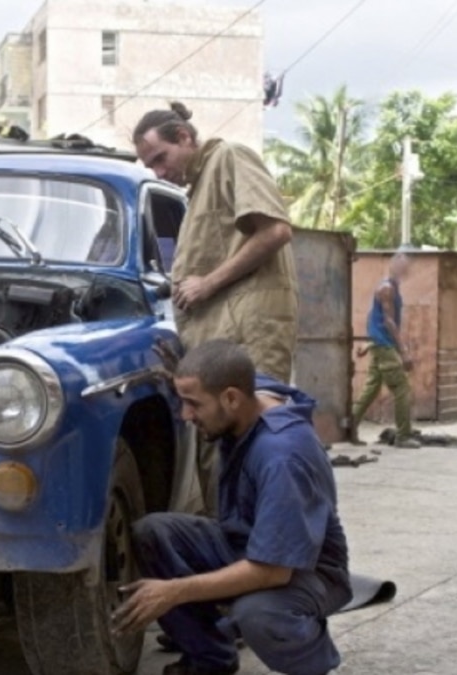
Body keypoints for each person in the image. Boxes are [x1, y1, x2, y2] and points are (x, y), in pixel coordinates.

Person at [113, 340, 351, 675]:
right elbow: (228, 369)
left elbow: (272, 571)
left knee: (259, 614)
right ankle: (211, 659)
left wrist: (174, 592)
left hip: (304, 570)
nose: (185, 415)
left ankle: (315, 664)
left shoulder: (282, 456)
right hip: (246, 541)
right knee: (152, 532)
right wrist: (182, 377)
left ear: (231, 399)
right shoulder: (248, 395)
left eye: (193, 404)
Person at [132, 101, 298, 516]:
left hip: (247, 335)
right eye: (150, 165)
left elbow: (275, 230)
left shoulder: (230, 157)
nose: (159, 171)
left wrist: (208, 282)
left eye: (161, 158)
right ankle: (231, 560)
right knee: (222, 453)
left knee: (251, 446)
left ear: (184, 138)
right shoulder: (200, 184)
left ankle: (255, 563)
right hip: (221, 337)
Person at [349, 252, 418, 448]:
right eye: (402, 266)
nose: (405, 270)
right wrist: (403, 351)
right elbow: (387, 321)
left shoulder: (391, 287)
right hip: (385, 346)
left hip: (379, 345)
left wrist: (369, 342)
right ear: (393, 265)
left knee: (371, 389)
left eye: (407, 267)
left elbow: (374, 316)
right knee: (402, 388)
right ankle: (403, 436)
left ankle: (349, 429)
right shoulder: (387, 288)